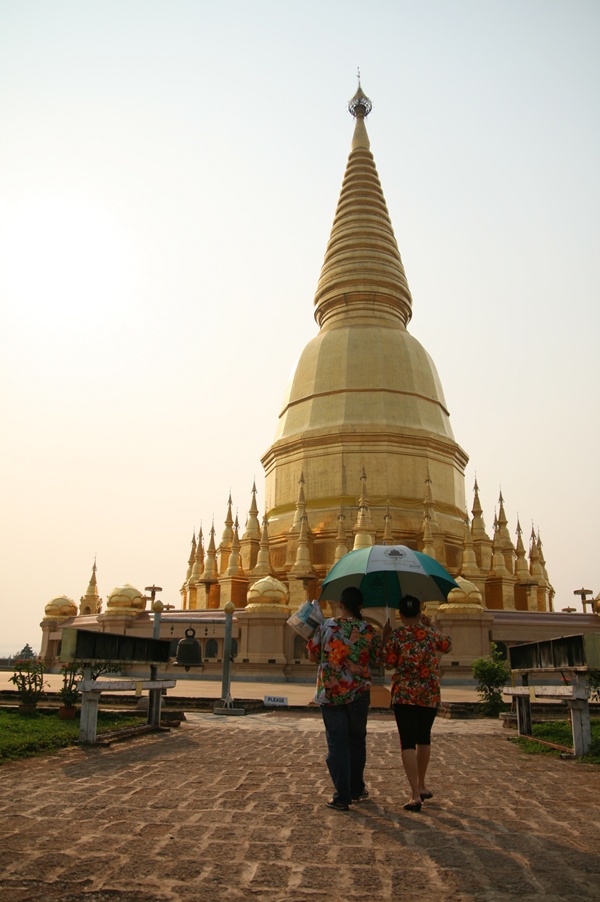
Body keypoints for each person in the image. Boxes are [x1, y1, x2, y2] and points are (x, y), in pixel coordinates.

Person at [307, 586, 381, 811]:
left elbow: (312, 656)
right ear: (360, 606)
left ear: (341, 604)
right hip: (358, 692)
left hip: (331, 692)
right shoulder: (368, 630)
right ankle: (357, 788)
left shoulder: (326, 627)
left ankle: (342, 796)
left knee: (337, 742)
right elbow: (378, 659)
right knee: (357, 740)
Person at [382, 594, 452, 812]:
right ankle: (422, 784)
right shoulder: (430, 635)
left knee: (407, 742)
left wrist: (386, 639)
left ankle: (414, 794)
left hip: (404, 694)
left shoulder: (397, 636)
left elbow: (388, 664)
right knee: (424, 738)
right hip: (428, 693)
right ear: (420, 613)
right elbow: (447, 645)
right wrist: (431, 627)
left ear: (400, 615)